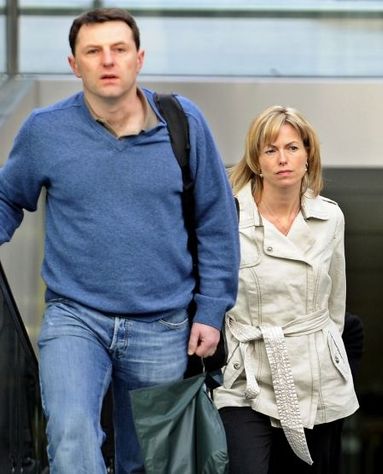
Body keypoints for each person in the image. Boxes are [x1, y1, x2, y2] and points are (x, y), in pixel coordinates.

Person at [0, 8, 239, 473]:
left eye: (118, 49)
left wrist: (211, 311)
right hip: (76, 317)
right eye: (93, 51)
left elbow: (215, 220)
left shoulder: (183, 123)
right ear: (75, 64)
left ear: (138, 58)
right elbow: (8, 197)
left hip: (164, 326)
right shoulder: (46, 131)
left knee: (144, 463)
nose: (107, 60)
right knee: (71, 435)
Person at [213, 105, 359, 474]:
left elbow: (334, 305)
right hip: (246, 379)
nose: (283, 159)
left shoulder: (330, 218)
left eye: (293, 148)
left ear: (308, 157)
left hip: (315, 378)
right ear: (256, 159)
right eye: (271, 149)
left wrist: (322, 351)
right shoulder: (228, 216)